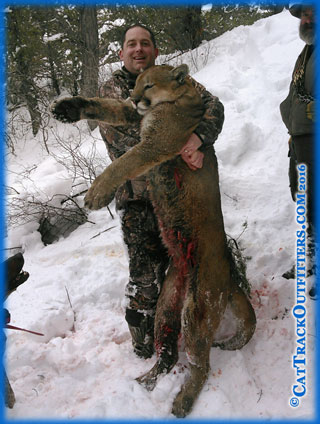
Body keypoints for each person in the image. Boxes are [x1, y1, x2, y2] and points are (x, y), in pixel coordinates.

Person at [98, 24, 224, 358]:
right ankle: (143, 336)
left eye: (145, 43)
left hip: (181, 195)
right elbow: (134, 145)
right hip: (141, 200)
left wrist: (198, 140)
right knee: (146, 279)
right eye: (131, 44)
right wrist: (183, 145)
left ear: (154, 50)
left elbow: (213, 107)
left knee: (190, 261)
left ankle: (184, 321)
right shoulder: (113, 91)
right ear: (122, 52)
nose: (138, 49)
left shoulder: (171, 77)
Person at [280, 5, 316, 297]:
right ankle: (310, 259)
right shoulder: (307, 52)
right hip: (301, 141)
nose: (309, 17)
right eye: (304, 13)